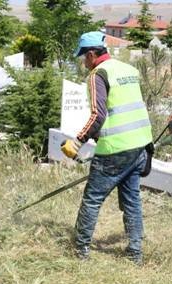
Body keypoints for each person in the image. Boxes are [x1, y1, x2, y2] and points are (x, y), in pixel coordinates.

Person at [61, 31, 154, 265]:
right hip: (140, 145)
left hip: (115, 150)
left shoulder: (97, 74)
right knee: (132, 200)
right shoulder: (127, 71)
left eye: (84, 57)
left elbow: (98, 115)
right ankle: (135, 253)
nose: (83, 62)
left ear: (92, 54)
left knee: (92, 199)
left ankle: (79, 250)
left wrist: (77, 142)